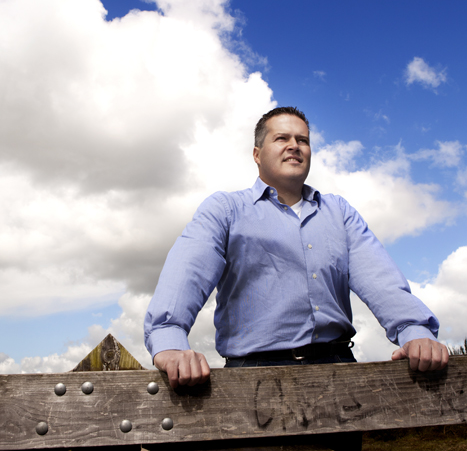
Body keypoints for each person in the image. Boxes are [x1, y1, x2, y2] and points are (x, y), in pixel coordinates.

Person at [144, 107, 448, 424]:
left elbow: (380, 279)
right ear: (257, 154)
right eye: (282, 138)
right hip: (253, 377)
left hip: (339, 371)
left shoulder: (340, 212)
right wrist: (170, 343)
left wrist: (415, 332)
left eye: (302, 140)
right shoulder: (225, 210)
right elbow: (187, 274)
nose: (294, 146)